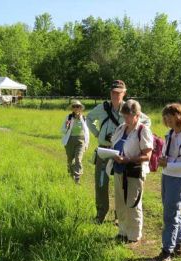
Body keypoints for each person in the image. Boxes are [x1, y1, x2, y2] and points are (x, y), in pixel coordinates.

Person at [86, 80, 151, 224]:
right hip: (104, 151)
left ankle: (118, 216)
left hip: (120, 153)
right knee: (101, 183)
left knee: (121, 184)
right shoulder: (102, 107)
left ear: (124, 93)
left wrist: (131, 136)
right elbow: (89, 118)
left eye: (119, 92)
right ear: (110, 93)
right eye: (113, 92)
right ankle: (100, 214)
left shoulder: (129, 108)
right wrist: (98, 134)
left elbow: (146, 121)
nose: (115, 95)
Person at [150, 103, 181, 261]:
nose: (166, 119)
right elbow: (169, 156)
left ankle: (166, 253)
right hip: (167, 175)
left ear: (179, 116)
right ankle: (178, 246)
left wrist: (168, 163)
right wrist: (163, 160)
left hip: (179, 179)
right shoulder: (171, 134)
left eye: (169, 116)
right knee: (173, 212)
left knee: (170, 215)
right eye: (164, 116)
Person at [106, 99, 153, 243]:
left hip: (134, 172)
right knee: (120, 203)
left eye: (128, 116)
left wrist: (128, 159)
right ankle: (122, 232)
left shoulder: (143, 130)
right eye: (124, 115)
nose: (126, 118)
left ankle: (133, 236)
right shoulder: (121, 128)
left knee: (132, 203)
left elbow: (147, 155)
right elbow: (114, 144)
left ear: (137, 115)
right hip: (119, 170)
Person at [61, 100, 90, 184]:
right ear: (72, 108)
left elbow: (87, 131)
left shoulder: (84, 118)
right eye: (74, 106)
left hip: (81, 141)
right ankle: (70, 175)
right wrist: (66, 126)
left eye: (78, 106)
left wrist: (87, 143)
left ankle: (77, 178)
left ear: (80, 108)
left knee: (78, 159)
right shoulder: (68, 117)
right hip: (70, 140)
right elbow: (63, 130)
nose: (76, 108)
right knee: (70, 159)